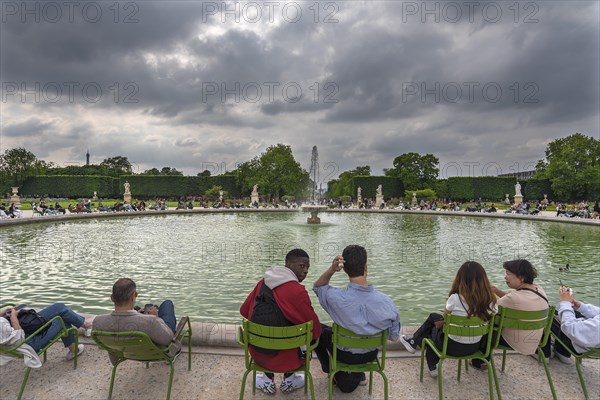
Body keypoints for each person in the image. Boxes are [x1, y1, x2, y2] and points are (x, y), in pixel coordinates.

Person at [313, 245, 400, 393]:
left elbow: (318, 287)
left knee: (317, 329)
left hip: (345, 354)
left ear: (345, 269)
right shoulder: (387, 302)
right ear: (366, 267)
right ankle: (359, 374)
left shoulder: (336, 298)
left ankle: (330, 369)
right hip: (370, 355)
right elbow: (394, 337)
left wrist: (332, 269)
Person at [240, 249, 321, 395]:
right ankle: (289, 379)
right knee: (300, 330)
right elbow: (315, 330)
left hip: (259, 354)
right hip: (289, 359)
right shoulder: (297, 291)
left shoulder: (263, 282)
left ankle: (266, 379)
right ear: (288, 265)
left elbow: (244, 310)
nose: (306, 271)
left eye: (308, 267)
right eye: (302, 266)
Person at [400, 261, 497, 377]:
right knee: (434, 321)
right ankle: (413, 341)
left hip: (450, 347)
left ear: (460, 279)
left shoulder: (455, 298)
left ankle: (430, 362)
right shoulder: (491, 301)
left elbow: (445, 318)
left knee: (431, 328)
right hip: (475, 347)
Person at [471, 259, 549, 368]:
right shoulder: (539, 289)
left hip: (516, 342)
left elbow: (487, 311)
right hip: (535, 340)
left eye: (508, 274)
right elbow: (516, 302)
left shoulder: (513, 298)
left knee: (487, 325)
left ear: (521, 277)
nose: (505, 277)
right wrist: (497, 291)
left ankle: (481, 361)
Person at [93, 278, 181, 365]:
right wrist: (156, 317)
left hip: (124, 353)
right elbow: (168, 339)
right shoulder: (151, 321)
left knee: (146, 306)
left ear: (112, 298)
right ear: (133, 295)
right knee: (167, 304)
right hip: (156, 353)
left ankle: (139, 311)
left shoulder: (98, 322)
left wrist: (138, 315)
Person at [0, 303, 90, 367]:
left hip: (23, 328)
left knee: (59, 307)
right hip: (28, 342)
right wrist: (13, 317)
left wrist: (4, 312)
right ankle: (86, 327)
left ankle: (84, 329)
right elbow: (18, 337)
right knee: (62, 320)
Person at [541, 286, 600, 363]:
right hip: (590, 343)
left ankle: (544, 353)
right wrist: (580, 307)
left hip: (579, 346)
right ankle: (562, 352)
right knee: (573, 312)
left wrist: (565, 303)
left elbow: (569, 327)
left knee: (545, 312)